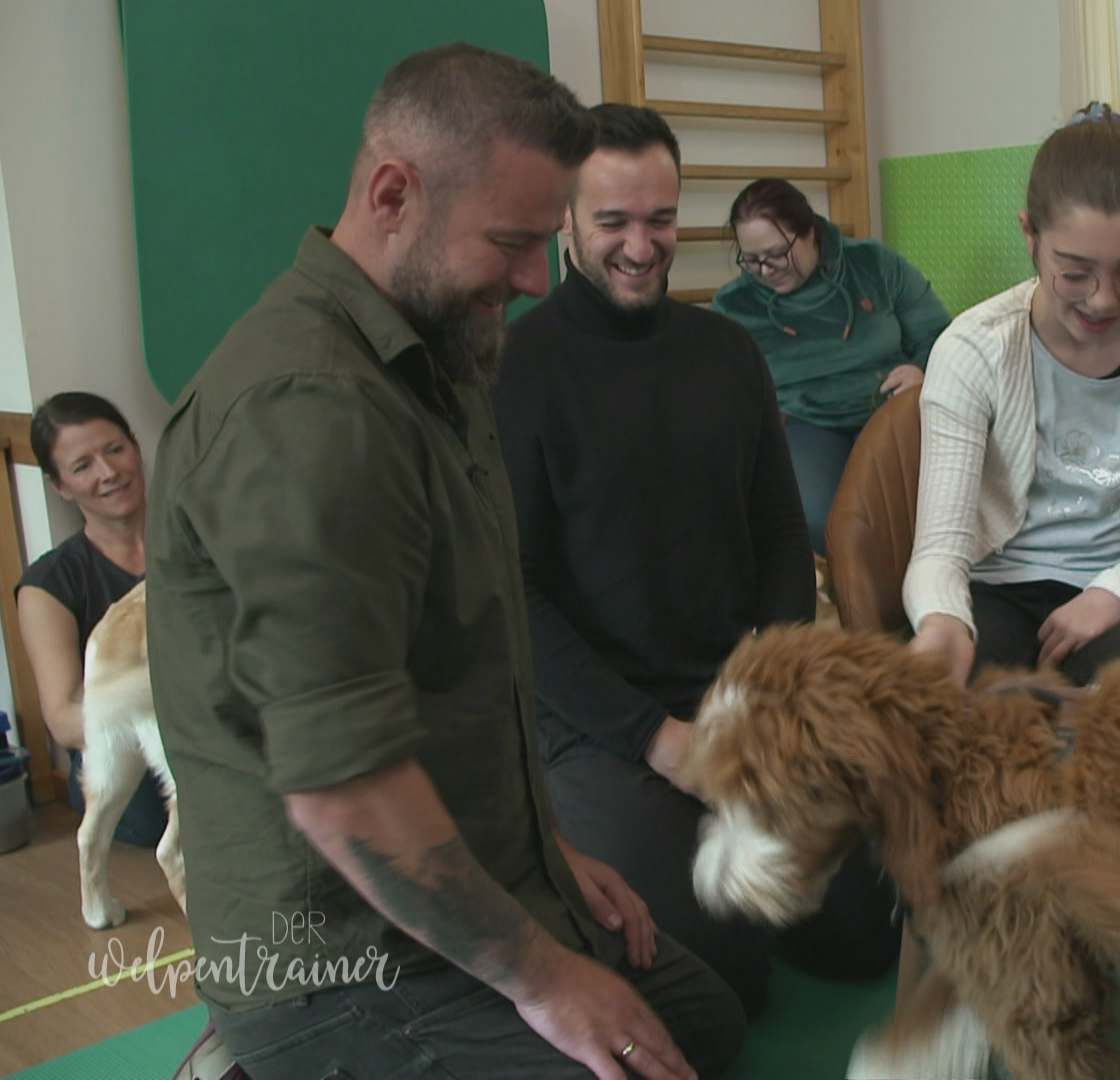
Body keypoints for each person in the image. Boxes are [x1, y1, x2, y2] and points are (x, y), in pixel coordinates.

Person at [145, 45, 744, 1080]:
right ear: (392, 195)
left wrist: (548, 862)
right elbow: (343, 789)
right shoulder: (309, 414)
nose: (531, 278)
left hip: (467, 883)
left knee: (708, 1026)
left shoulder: (434, 343)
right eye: (513, 242)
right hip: (334, 961)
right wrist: (547, 978)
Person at [491, 104, 900, 1023]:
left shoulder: (726, 352)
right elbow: (513, 596)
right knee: (720, 986)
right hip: (604, 732)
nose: (642, 247)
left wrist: (765, 692)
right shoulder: (517, 369)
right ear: (564, 221)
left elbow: (782, 537)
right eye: (614, 222)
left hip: (737, 701)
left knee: (865, 934)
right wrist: (660, 742)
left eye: (661, 220)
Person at [904, 102, 1120, 692]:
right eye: (1074, 273)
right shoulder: (974, 349)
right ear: (1029, 234)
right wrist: (942, 621)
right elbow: (940, 551)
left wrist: (1114, 593)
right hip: (995, 589)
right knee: (944, 733)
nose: (1102, 300)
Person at [709, 178, 951, 554]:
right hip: (803, 420)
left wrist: (921, 370)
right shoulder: (734, 304)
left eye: (777, 253)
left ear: (810, 233)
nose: (766, 269)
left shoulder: (873, 263)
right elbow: (720, 393)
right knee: (814, 519)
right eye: (751, 260)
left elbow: (940, 335)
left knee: (902, 513)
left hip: (888, 404)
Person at [16, 392, 167, 846]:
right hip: (130, 756)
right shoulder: (48, 585)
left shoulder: (198, 541)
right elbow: (63, 720)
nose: (108, 473)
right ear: (59, 485)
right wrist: (182, 716)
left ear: (136, 448)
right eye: (83, 466)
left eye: (115, 450)